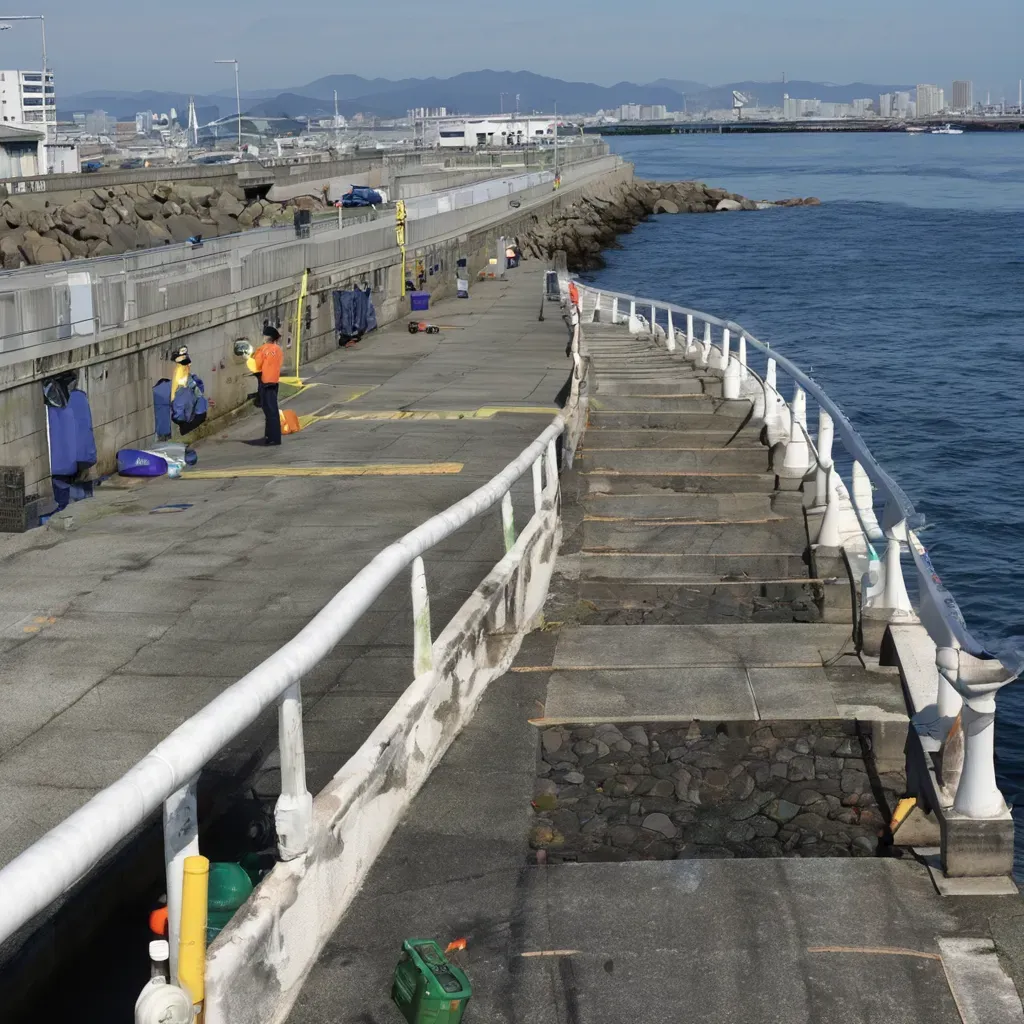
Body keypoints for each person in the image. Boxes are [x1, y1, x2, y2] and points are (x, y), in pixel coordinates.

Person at [253, 326, 284, 446]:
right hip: (274, 381)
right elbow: (279, 363)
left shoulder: (262, 350)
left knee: (269, 411)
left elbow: (257, 364)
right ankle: (271, 437)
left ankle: (272, 438)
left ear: (266, 337)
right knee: (273, 410)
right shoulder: (278, 350)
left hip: (265, 382)